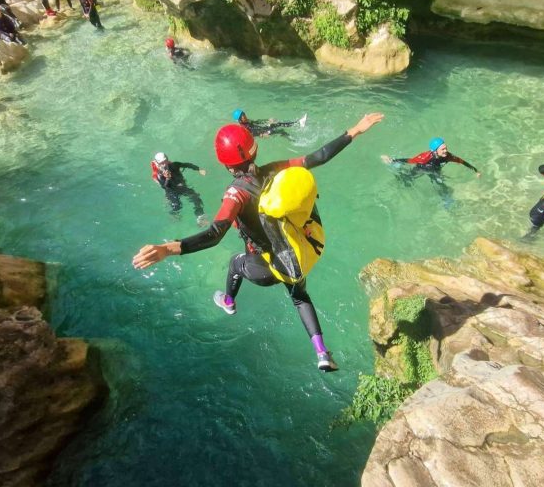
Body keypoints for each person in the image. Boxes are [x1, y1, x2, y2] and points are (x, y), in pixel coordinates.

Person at [132, 113, 384, 372]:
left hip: (264, 268)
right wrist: (355, 130)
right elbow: (317, 157)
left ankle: (228, 302)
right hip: (293, 253)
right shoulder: (276, 169)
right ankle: (321, 352)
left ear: (227, 166)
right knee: (299, 296)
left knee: (235, 263)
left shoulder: (235, 194)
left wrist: (169, 248)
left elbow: (215, 233)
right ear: (254, 150)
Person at [381, 137, 480, 206]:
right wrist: (392, 160)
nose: (445, 151)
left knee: (440, 183)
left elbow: (462, 161)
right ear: (435, 151)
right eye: (443, 149)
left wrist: (475, 171)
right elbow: (410, 160)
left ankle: (447, 201)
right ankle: (395, 167)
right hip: (422, 168)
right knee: (407, 180)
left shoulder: (448, 156)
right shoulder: (424, 157)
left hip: (435, 171)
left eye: (446, 148)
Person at [150, 152, 208, 226]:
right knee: (177, 206)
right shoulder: (159, 175)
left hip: (181, 187)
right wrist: (167, 178)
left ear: (167, 159)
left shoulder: (174, 165)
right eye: (162, 163)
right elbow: (165, 187)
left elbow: (186, 165)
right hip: (171, 191)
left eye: (165, 161)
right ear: (158, 163)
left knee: (195, 197)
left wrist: (199, 169)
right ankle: (173, 215)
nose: (165, 164)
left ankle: (200, 216)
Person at [233, 109, 307, 138]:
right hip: (263, 132)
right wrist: (261, 134)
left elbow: (257, 121)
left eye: (244, 114)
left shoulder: (247, 121)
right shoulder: (245, 128)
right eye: (242, 116)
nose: (244, 116)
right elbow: (252, 133)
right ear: (240, 120)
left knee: (278, 124)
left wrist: (267, 120)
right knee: (279, 129)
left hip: (262, 129)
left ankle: (298, 124)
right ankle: (295, 135)